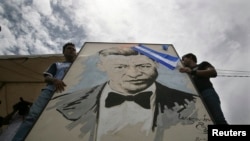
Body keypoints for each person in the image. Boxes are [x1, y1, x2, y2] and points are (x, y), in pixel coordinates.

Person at [50, 47, 199, 141]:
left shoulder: (193, 105)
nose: (133, 74)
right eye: (120, 67)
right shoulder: (62, 105)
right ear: (101, 67)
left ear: (157, 65)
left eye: (143, 66)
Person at [12, 42, 77, 141]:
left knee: (62, 122)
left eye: (74, 49)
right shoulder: (57, 64)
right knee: (33, 116)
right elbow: (47, 78)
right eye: (69, 48)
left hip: (70, 94)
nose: (72, 50)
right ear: (63, 52)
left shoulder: (80, 66)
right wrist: (55, 80)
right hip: (50, 91)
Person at [179, 53, 228, 125]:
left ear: (190, 57)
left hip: (207, 92)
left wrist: (192, 72)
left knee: (218, 120)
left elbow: (213, 72)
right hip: (194, 98)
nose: (182, 61)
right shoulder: (185, 71)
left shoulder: (203, 64)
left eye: (183, 59)